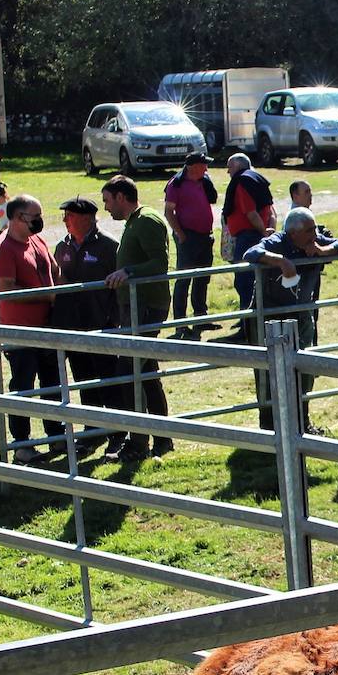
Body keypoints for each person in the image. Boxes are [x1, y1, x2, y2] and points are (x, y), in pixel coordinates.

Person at [243, 207, 338, 430]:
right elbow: (251, 253)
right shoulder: (277, 242)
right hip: (268, 317)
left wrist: (323, 250)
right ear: (293, 233)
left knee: (303, 370)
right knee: (267, 372)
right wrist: (281, 261)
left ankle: (302, 424)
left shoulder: (315, 241)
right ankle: (269, 428)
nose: (315, 235)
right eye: (310, 231)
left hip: (300, 316)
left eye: (315, 229)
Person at [101, 175, 173, 462]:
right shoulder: (135, 221)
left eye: (107, 200)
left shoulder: (147, 220)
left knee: (128, 373)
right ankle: (162, 438)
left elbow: (160, 262)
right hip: (133, 306)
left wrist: (128, 272)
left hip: (145, 306)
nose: (106, 207)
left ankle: (138, 443)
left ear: (121, 197)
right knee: (146, 373)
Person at [0, 194, 63, 463]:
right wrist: (48, 295)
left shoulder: (37, 240)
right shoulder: (4, 248)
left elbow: (54, 271)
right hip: (20, 331)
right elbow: (6, 289)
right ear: (17, 218)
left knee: (52, 384)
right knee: (23, 386)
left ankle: (56, 437)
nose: (39, 222)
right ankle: (22, 444)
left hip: (47, 327)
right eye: (34, 217)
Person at [50, 196, 123, 454]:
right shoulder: (63, 247)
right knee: (84, 380)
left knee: (108, 381)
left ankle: (117, 433)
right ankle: (92, 430)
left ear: (85, 218)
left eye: (68, 216)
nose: (64, 221)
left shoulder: (108, 246)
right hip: (73, 326)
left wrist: (114, 320)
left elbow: (120, 289)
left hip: (101, 324)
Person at [164, 153, 217, 336]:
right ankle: (180, 323)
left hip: (205, 236)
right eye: (203, 165)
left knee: (203, 277)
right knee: (184, 279)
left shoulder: (204, 181)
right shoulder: (175, 184)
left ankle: (201, 317)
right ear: (192, 166)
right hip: (188, 238)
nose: (206, 169)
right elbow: (169, 211)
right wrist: (181, 234)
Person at [221, 154, 274, 315]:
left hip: (248, 237)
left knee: (244, 281)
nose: (228, 171)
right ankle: (249, 319)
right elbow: (271, 211)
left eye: (229, 167)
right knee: (251, 279)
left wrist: (263, 231)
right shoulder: (258, 179)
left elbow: (251, 213)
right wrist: (269, 230)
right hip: (256, 234)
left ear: (237, 166)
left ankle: (248, 323)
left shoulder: (242, 182)